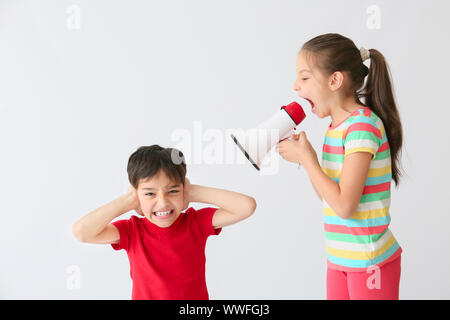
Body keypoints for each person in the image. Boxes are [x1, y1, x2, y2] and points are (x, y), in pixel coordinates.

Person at [276, 33, 403, 300]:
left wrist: (307, 159)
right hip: (340, 259)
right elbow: (328, 197)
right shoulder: (335, 129)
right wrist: (306, 158)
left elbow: (345, 206)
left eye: (305, 77)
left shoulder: (361, 127)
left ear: (334, 80)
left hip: (369, 263)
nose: (296, 87)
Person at [72, 145, 257, 300]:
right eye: (150, 193)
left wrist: (192, 192)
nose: (163, 202)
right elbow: (82, 232)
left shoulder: (195, 223)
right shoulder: (132, 231)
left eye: (173, 191)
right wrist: (127, 201)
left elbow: (246, 206)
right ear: (137, 195)